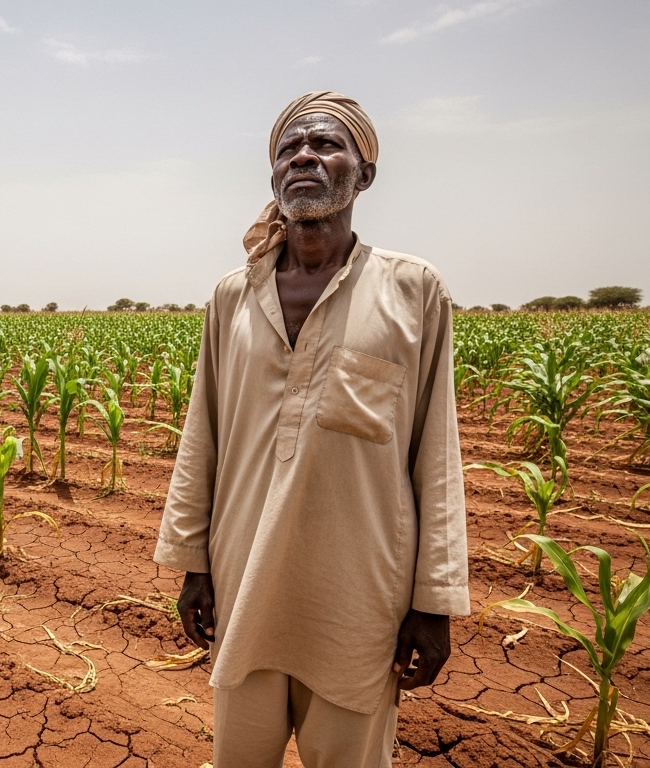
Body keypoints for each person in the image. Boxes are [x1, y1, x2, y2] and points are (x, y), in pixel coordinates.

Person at [154, 91, 470, 767]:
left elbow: (437, 453)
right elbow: (202, 435)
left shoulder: (413, 289)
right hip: (244, 578)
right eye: (288, 149)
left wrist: (434, 602)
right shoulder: (233, 295)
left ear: (365, 173)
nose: (302, 156)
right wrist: (193, 566)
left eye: (325, 144)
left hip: (360, 595)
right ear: (273, 174)